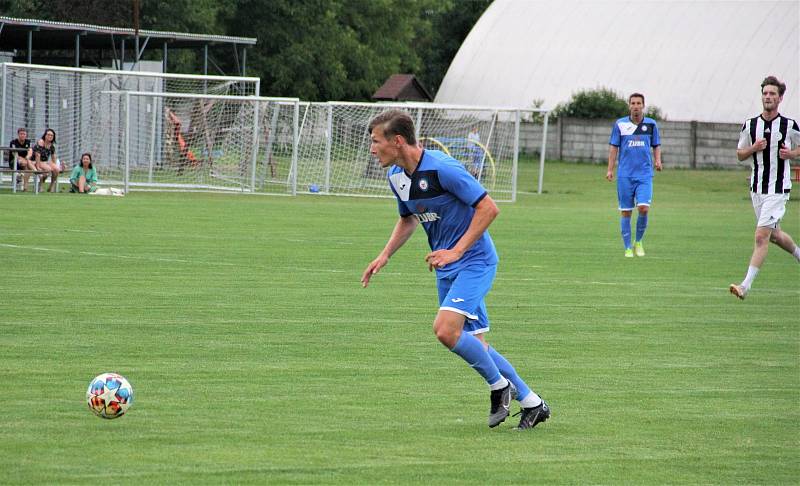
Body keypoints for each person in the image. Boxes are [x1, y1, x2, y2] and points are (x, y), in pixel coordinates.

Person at [361, 110, 549, 430]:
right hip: (446, 267)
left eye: (376, 141)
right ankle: (532, 403)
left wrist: (457, 250)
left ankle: (499, 387)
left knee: (445, 330)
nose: (372, 148)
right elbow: (408, 218)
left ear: (397, 141)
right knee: (479, 346)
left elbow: (489, 208)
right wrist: (385, 255)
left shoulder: (443, 168)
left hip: (475, 261)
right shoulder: (396, 177)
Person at [729, 76, 800, 300]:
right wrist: (753, 148)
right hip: (757, 188)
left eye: (772, 94)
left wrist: (792, 154)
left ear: (780, 98)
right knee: (774, 236)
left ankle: (744, 286)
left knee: (761, 236)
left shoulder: (789, 125)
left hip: (778, 189)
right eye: (765, 93)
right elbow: (740, 154)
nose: (768, 97)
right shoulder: (751, 124)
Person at [607, 93, 662, 257]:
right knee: (626, 211)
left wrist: (658, 160)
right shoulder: (620, 124)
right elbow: (613, 148)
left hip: (644, 175)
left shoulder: (651, 124)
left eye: (639, 103)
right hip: (625, 175)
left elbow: (656, 145)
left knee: (644, 208)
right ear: (629, 105)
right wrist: (610, 169)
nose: (636, 106)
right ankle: (627, 248)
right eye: (633, 103)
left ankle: (638, 241)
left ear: (643, 105)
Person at [33, 128, 60, 192]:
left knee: (56, 169)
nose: (50, 136)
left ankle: (51, 186)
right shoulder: (41, 142)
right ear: (45, 135)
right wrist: (38, 166)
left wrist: (55, 166)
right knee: (48, 169)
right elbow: (37, 155)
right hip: (36, 161)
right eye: (48, 135)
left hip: (45, 162)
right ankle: (41, 185)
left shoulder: (51, 146)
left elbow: (53, 157)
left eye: (51, 135)